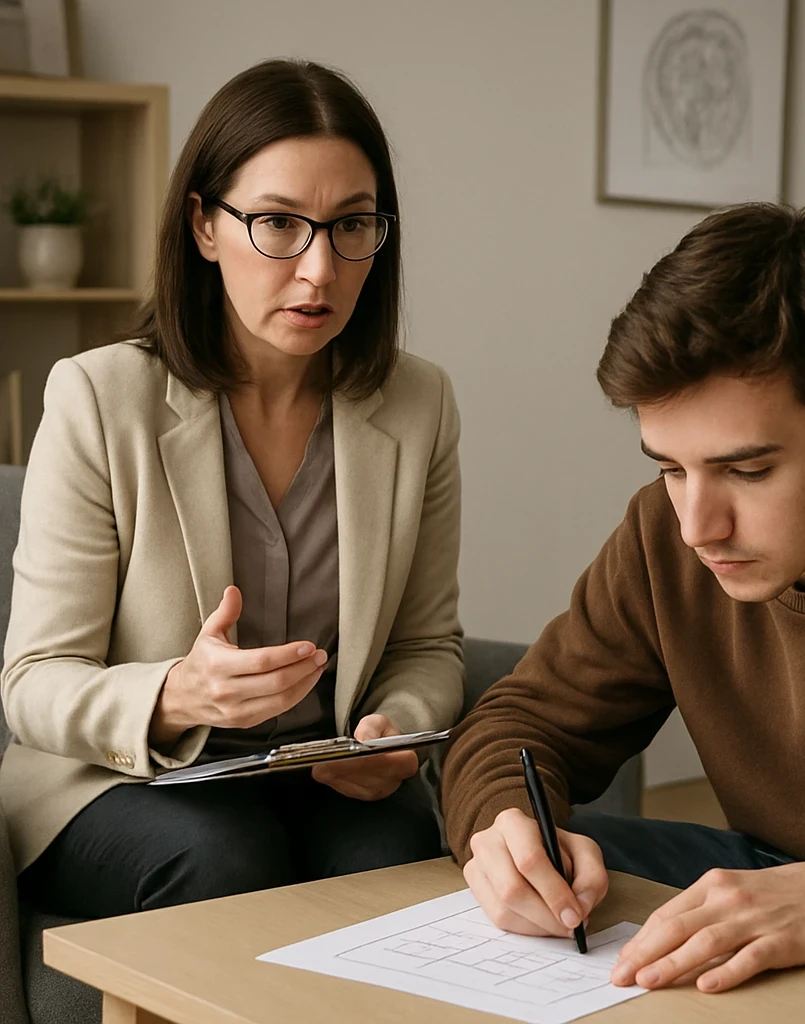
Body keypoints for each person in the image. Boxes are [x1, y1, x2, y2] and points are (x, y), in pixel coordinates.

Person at [442, 203, 805, 993]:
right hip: (772, 875)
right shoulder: (665, 535)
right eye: (670, 469)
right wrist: (507, 830)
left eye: (747, 472)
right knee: (575, 863)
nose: (697, 527)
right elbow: (522, 721)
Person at [3, 59, 464, 918]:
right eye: (279, 223)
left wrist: (394, 728)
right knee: (224, 856)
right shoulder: (98, 396)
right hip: (119, 780)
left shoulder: (419, 403)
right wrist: (177, 695)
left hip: (316, 777)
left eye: (351, 225)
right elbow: (34, 682)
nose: (320, 269)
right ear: (204, 226)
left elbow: (427, 644)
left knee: (398, 853)